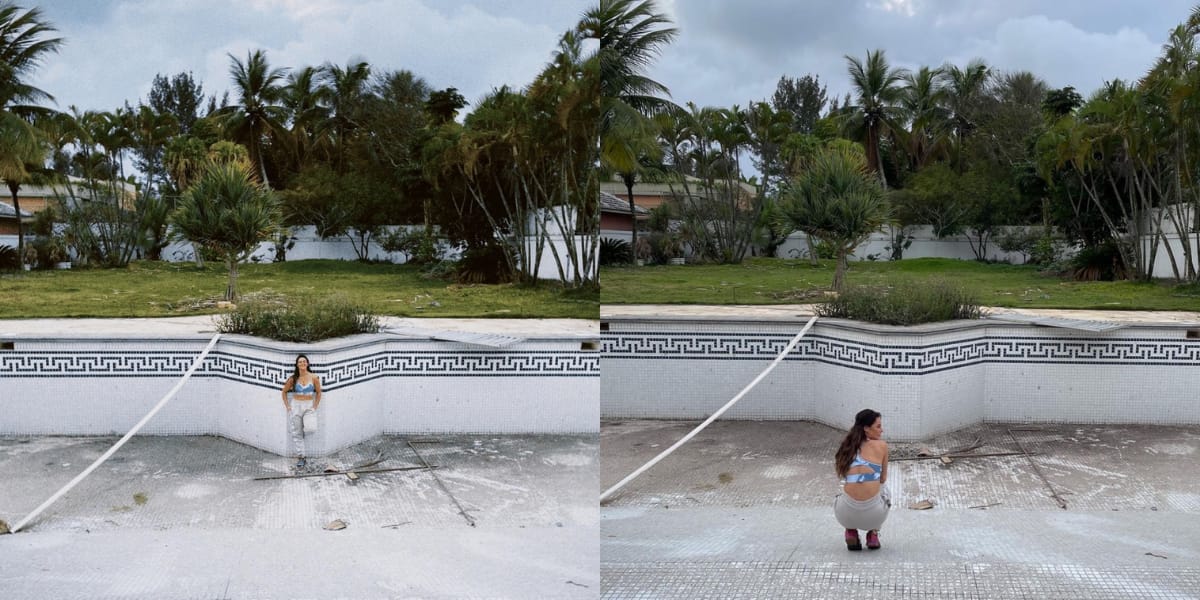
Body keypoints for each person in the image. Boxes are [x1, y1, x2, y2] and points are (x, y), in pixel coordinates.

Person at [833, 409, 890, 550]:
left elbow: (843, 474)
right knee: (885, 488)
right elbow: (882, 478)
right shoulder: (882, 446)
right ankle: (873, 534)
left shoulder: (847, 446)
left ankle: (850, 532)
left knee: (844, 486)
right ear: (866, 428)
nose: (881, 430)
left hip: (844, 514)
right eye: (878, 426)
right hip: (874, 516)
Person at [281, 354, 322, 470]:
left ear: (307, 364)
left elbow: (319, 393)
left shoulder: (314, 377)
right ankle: (302, 457)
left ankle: (303, 429)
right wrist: (288, 406)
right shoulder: (293, 379)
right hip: (296, 405)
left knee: (310, 428)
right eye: (300, 362)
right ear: (297, 365)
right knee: (297, 433)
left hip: (309, 406)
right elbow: (283, 392)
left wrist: (314, 406)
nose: (302, 363)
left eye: (304, 362)